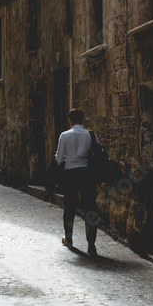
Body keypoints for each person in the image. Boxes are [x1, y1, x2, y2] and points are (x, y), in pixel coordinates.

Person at [55, 108, 100, 257]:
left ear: (70, 121)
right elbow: (97, 153)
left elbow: (59, 158)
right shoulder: (91, 135)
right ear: (83, 119)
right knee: (90, 208)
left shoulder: (64, 135)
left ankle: (68, 238)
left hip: (70, 174)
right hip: (87, 174)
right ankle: (91, 244)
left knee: (69, 207)